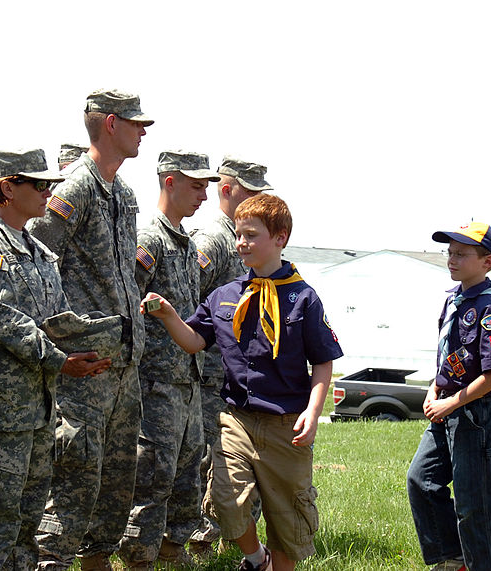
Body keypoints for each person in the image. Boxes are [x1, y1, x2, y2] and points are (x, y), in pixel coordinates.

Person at [140, 193, 343, 571]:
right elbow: (194, 341)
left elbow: (323, 362)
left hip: (286, 424)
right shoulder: (225, 296)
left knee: (288, 519)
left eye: (251, 235)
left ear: (280, 238)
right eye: (238, 234)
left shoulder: (303, 298)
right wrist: (169, 315)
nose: (240, 243)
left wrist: (313, 414)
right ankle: (255, 559)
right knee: (225, 498)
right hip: (237, 418)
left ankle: (275, 563)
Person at [0, 150, 114, 569]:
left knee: (25, 530)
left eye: (51, 184)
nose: (49, 192)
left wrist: (92, 340)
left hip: (40, 413)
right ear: (7, 188)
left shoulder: (40, 252)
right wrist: (60, 360)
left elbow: (59, 319)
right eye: (39, 185)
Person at [28, 89, 152, 571]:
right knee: (74, 481)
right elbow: (33, 258)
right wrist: (60, 337)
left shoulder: (122, 193)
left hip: (122, 365)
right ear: (111, 124)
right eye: (137, 123)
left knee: (116, 484)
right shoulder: (73, 189)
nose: (143, 132)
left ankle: (96, 562)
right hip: (84, 367)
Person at [118, 150, 218, 569]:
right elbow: (127, 306)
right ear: (170, 181)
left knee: (185, 472)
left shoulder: (187, 243)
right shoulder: (149, 240)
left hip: (186, 381)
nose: (204, 197)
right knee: (153, 475)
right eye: (197, 186)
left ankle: (172, 550)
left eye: (208, 187)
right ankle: (139, 557)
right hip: (155, 382)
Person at [407, 222, 491, 571]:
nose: (452, 260)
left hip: (473, 413)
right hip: (447, 404)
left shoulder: (490, 311)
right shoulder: (455, 300)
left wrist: (450, 402)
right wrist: (433, 388)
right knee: (421, 480)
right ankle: (453, 559)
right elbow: (449, 353)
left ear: (488, 262)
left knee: (475, 503)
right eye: (450, 252)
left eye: (461, 254)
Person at [188, 155, 271, 558]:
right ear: (228, 190)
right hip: (210, 374)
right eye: (251, 192)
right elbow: (191, 300)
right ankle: (204, 541)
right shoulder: (214, 239)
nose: (259, 200)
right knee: (214, 462)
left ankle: (228, 541)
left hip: (234, 375)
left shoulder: (240, 235)